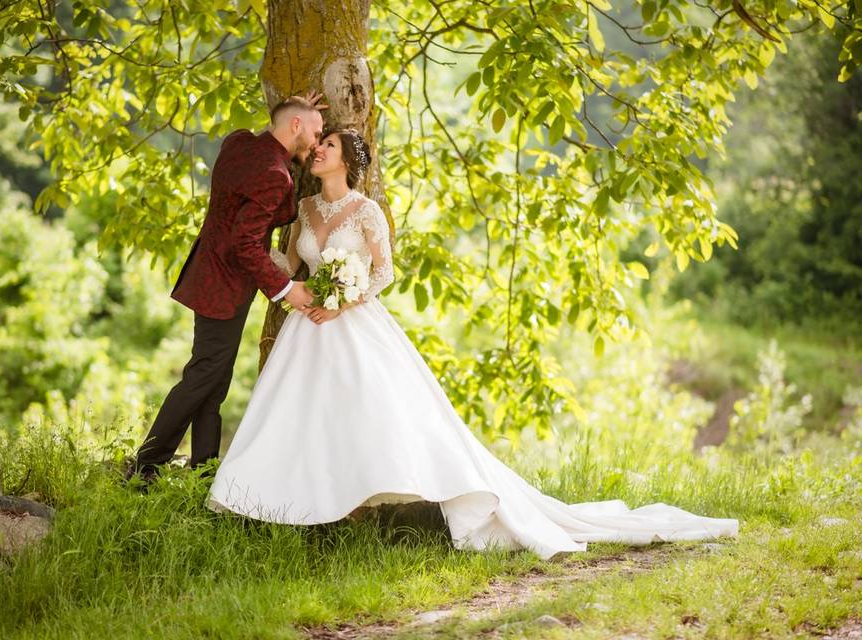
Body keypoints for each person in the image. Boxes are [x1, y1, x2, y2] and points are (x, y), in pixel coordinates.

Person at [205, 129, 738, 559]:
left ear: (346, 162)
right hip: (306, 331)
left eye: (328, 147)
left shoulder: (366, 211)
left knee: (371, 421)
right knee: (299, 419)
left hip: (353, 324)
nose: (317, 151)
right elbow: (293, 267)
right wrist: (246, 251)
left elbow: (385, 272)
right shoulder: (303, 210)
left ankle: (359, 513)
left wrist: (344, 298)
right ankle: (295, 509)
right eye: (318, 145)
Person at [126, 94, 326, 482]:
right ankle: (145, 468)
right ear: (296, 126)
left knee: (214, 381)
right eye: (316, 132)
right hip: (226, 286)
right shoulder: (275, 174)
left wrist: (301, 106)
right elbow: (246, 244)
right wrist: (288, 290)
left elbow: (258, 184)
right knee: (203, 376)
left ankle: (204, 472)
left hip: (208, 271)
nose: (318, 143)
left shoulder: (238, 143)